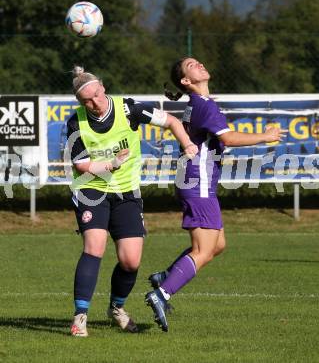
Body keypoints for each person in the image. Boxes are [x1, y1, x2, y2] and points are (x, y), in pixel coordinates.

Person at [145, 57, 287, 332]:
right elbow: (228, 139)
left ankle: (166, 276)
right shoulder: (203, 104)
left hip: (198, 182)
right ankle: (161, 294)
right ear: (186, 81)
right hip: (197, 182)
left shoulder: (197, 104)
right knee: (204, 249)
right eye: (191, 65)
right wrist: (265, 136)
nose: (198, 64)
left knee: (217, 245)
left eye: (198, 62)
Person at [67, 65, 198, 337]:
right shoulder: (76, 121)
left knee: (131, 261)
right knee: (95, 247)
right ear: (80, 102)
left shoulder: (128, 109)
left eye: (96, 95)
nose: (94, 103)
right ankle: (80, 317)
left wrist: (186, 145)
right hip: (92, 189)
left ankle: (116, 308)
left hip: (126, 192)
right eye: (86, 100)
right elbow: (81, 165)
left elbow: (172, 121)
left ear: (103, 87)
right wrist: (111, 163)